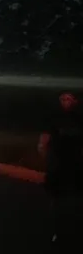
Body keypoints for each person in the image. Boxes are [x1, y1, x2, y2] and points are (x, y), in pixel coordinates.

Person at [38, 91, 83, 250]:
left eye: (69, 99)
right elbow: (44, 141)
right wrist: (46, 157)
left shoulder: (79, 119)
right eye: (63, 99)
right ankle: (57, 231)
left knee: (76, 199)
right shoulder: (54, 118)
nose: (65, 101)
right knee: (57, 200)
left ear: (75, 101)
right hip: (57, 165)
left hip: (76, 165)